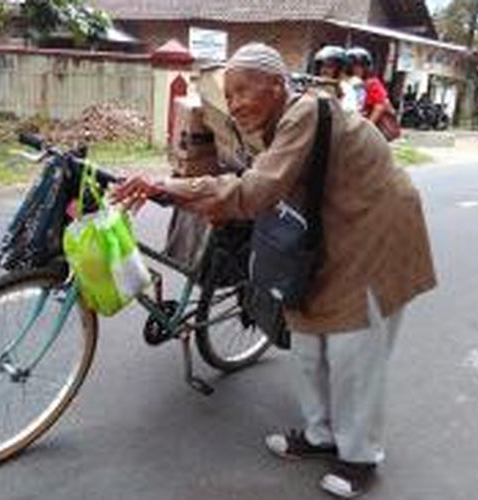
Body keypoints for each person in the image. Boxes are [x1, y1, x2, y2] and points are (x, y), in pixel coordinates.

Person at [112, 42, 437, 498]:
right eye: (230, 93)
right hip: (326, 232)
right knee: (306, 339)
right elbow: (254, 179)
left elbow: (257, 189)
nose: (237, 102)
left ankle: (360, 457)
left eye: (246, 90)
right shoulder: (267, 123)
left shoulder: (304, 113)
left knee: (353, 355)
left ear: (278, 85)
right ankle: (321, 434)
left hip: (374, 229)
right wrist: (194, 188)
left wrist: (173, 187)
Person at [346, 47, 393, 126]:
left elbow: (379, 106)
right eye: (353, 66)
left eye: (360, 66)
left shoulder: (372, 84)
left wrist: (368, 126)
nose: (356, 69)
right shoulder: (344, 83)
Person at [312, 45, 360, 114]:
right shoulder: (313, 86)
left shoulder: (347, 90)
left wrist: (337, 92)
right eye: (322, 66)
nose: (324, 70)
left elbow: (348, 112)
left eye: (329, 66)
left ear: (339, 69)